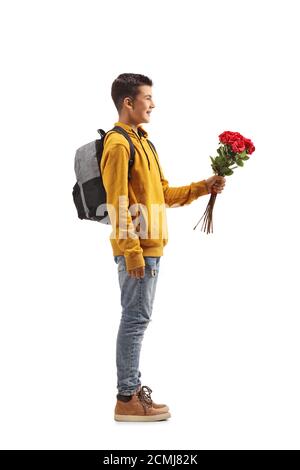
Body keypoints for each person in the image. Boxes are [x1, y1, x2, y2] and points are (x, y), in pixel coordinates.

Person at [101, 73, 226, 422]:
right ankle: (127, 396)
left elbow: (164, 193)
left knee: (137, 318)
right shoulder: (118, 144)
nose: (153, 104)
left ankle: (130, 390)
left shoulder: (143, 142)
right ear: (129, 102)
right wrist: (132, 252)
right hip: (137, 248)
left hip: (150, 245)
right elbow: (117, 203)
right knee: (135, 319)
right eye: (147, 97)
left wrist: (205, 186)